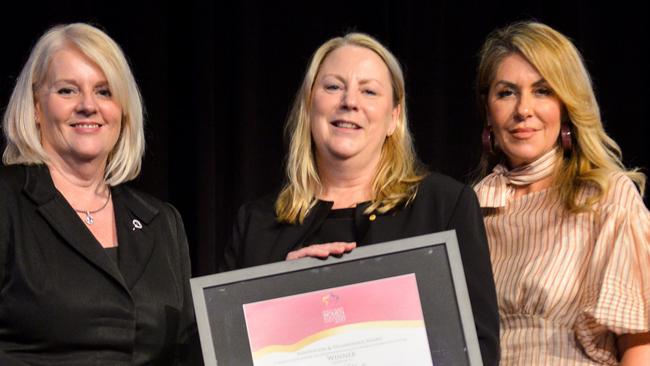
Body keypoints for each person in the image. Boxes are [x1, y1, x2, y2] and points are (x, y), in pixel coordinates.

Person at [221, 32, 499, 365]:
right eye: (333, 87)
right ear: (309, 105)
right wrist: (278, 294)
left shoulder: (445, 206)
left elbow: (479, 347)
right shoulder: (257, 222)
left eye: (368, 90)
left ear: (394, 117)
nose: (349, 101)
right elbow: (217, 350)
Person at [0, 23, 198, 365]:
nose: (88, 106)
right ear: (35, 106)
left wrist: (281, 288)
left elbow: (190, 351)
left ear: (122, 110)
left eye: (104, 91)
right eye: (67, 91)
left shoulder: (161, 222)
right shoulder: (7, 204)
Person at [473, 21, 650, 365]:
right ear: (488, 111)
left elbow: (640, 344)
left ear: (567, 105)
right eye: (506, 92)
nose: (523, 109)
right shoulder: (469, 208)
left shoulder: (606, 197)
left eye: (542, 91)